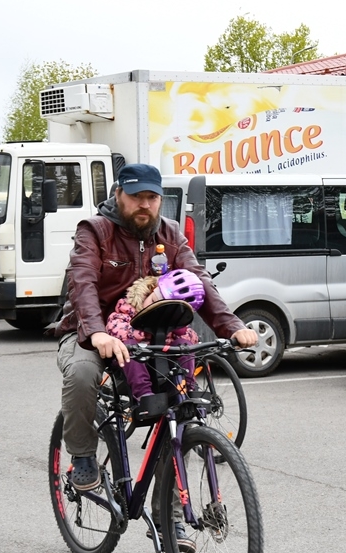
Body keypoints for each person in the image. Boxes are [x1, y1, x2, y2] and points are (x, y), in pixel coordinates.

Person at [55, 163, 258, 494]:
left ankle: (172, 512)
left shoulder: (170, 233)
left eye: (152, 197)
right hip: (90, 332)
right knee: (80, 373)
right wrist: (97, 331)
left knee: (181, 410)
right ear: (119, 195)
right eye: (136, 196)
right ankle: (82, 456)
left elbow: (198, 280)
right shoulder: (94, 230)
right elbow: (82, 282)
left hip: (152, 335)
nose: (145, 204)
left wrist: (231, 326)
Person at [104, 271, 202, 402]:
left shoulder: (171, 327)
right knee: (129, 347)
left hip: (165, 363)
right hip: (133, 365)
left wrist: (179, 329)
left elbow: (194, 338)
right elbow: (114, 327)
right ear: (150, 292)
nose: (153, 308)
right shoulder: (129, 308)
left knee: (185, 345)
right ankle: (143, 394)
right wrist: (145, 330)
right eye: (153, 301)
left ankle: (188, 387)